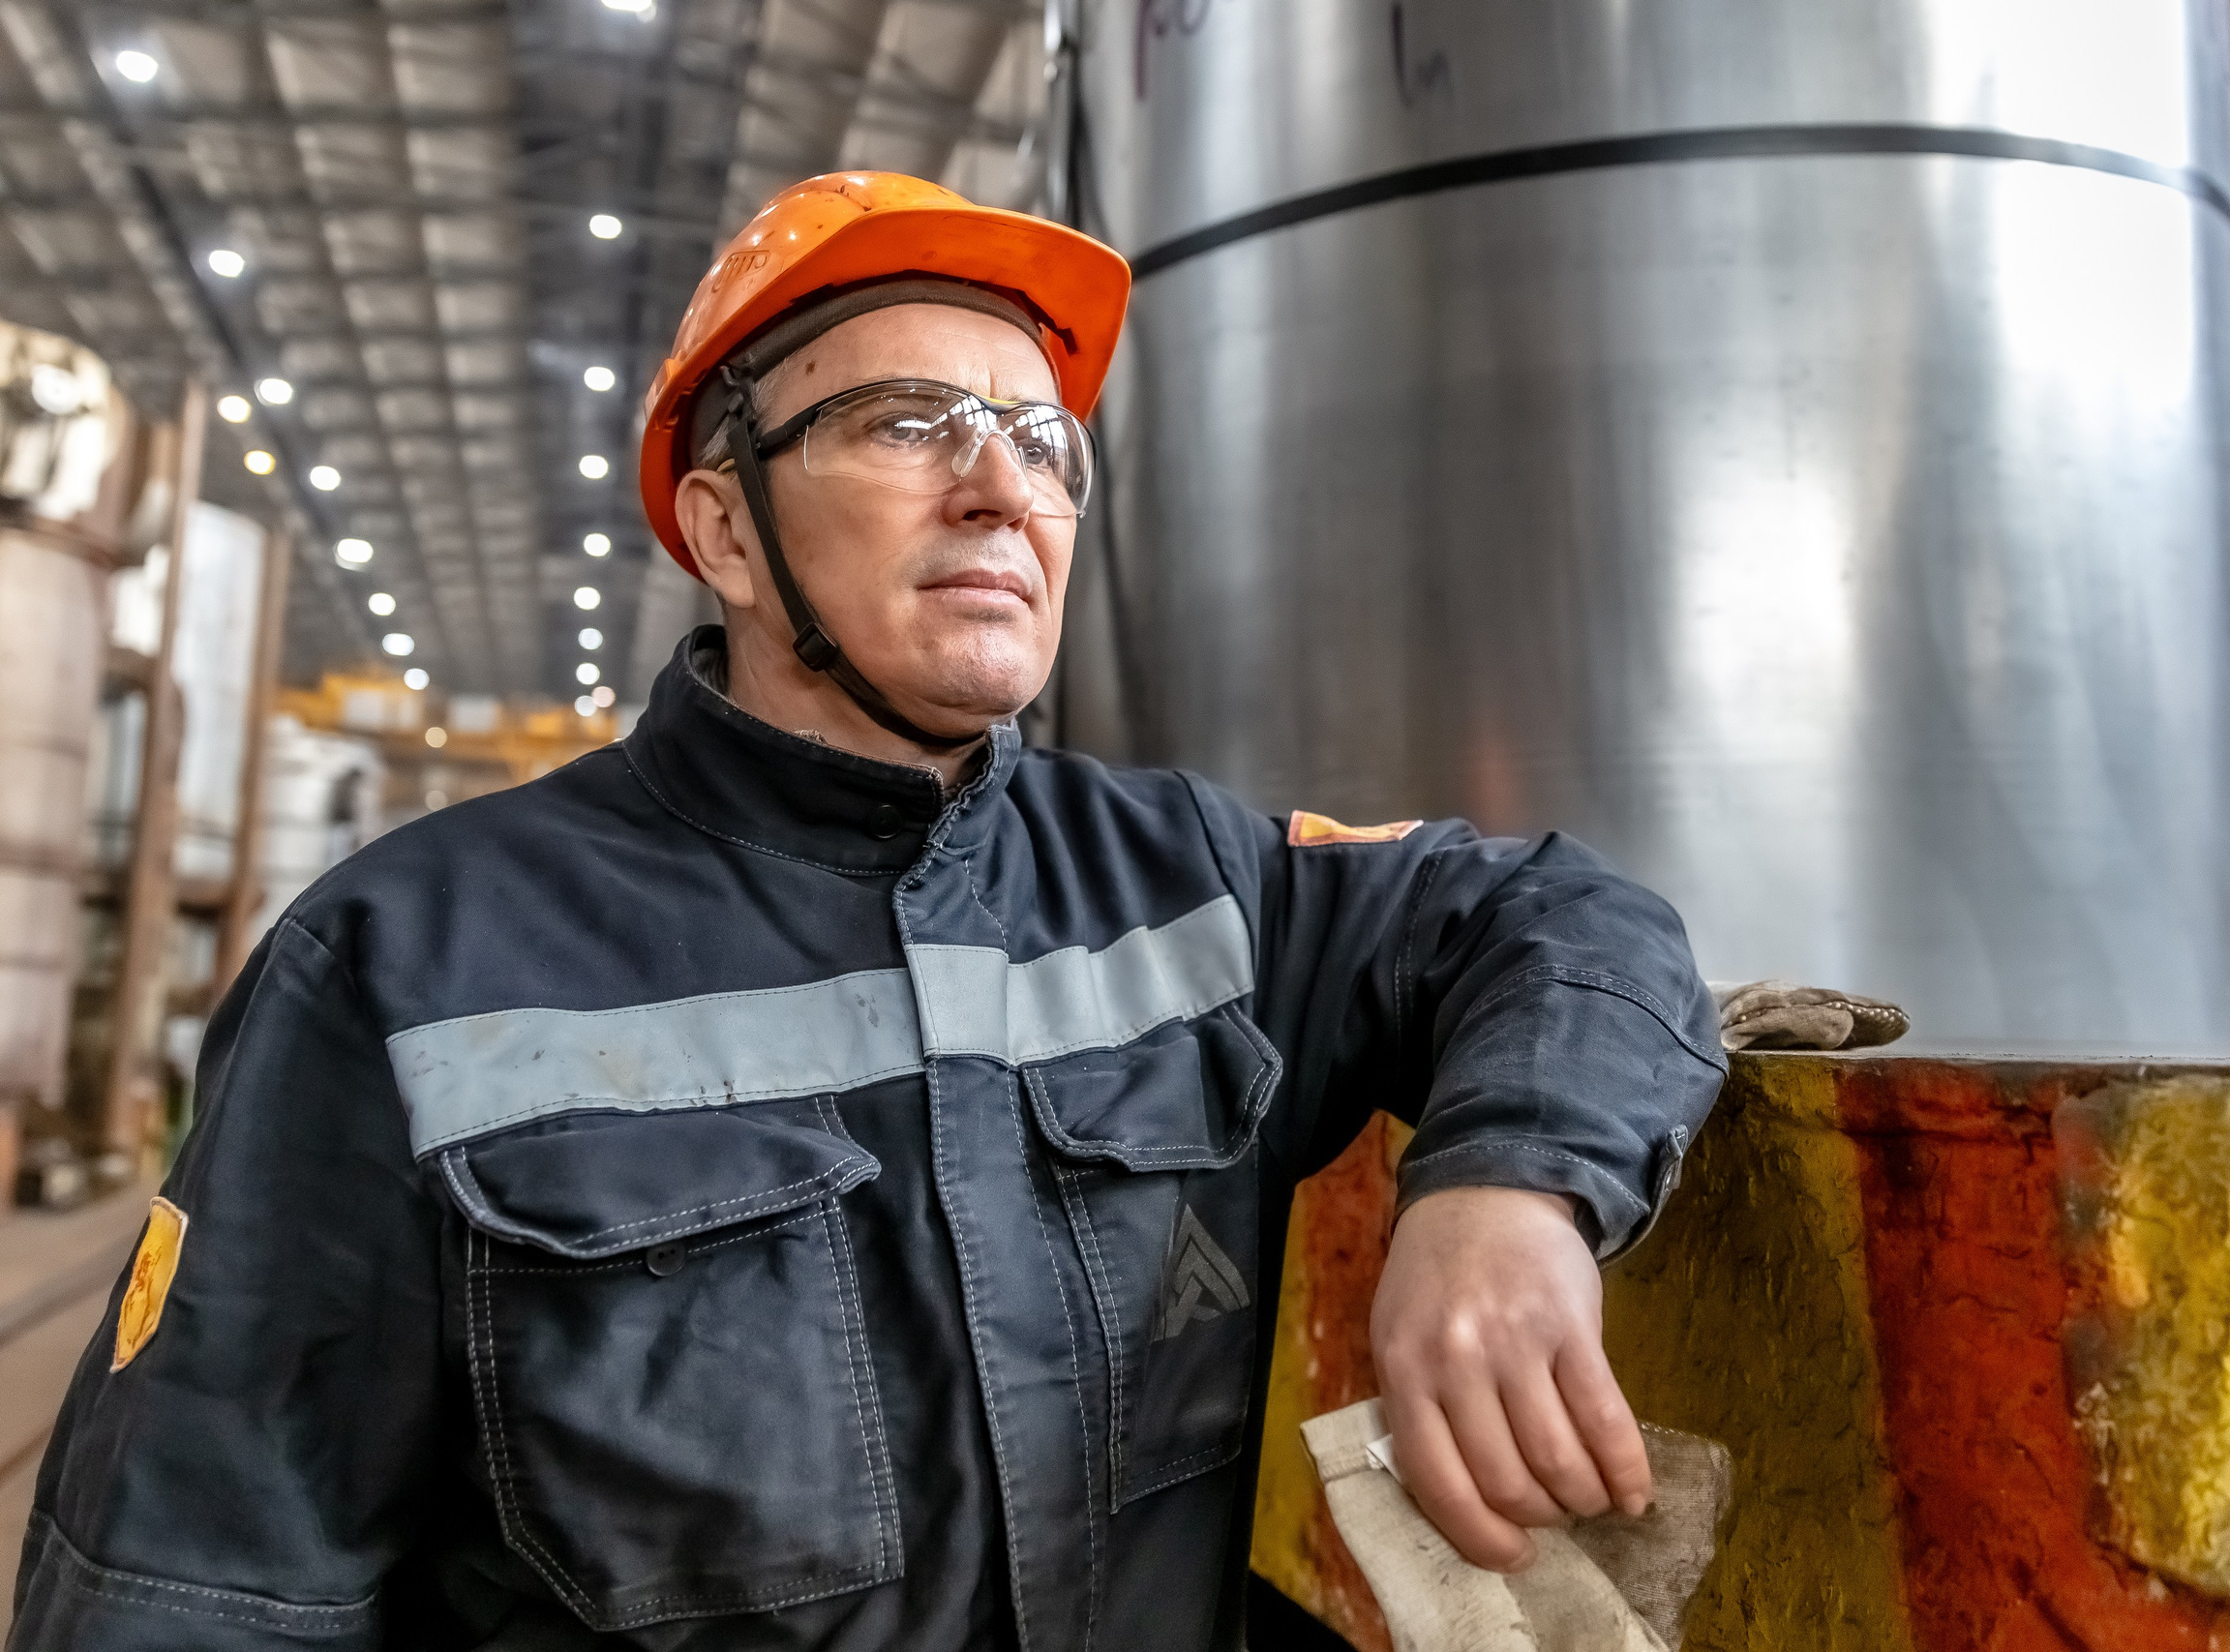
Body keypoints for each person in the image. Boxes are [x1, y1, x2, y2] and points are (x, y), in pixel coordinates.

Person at [10, 173, 1725, 1652]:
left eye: (1039, 439)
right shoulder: (409, 963)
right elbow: (197, 1580)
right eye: (908, 423)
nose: (999, 488)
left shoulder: (1197, 881)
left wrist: (1510, 1187)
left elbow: (1571, 922)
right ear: (724, 531)